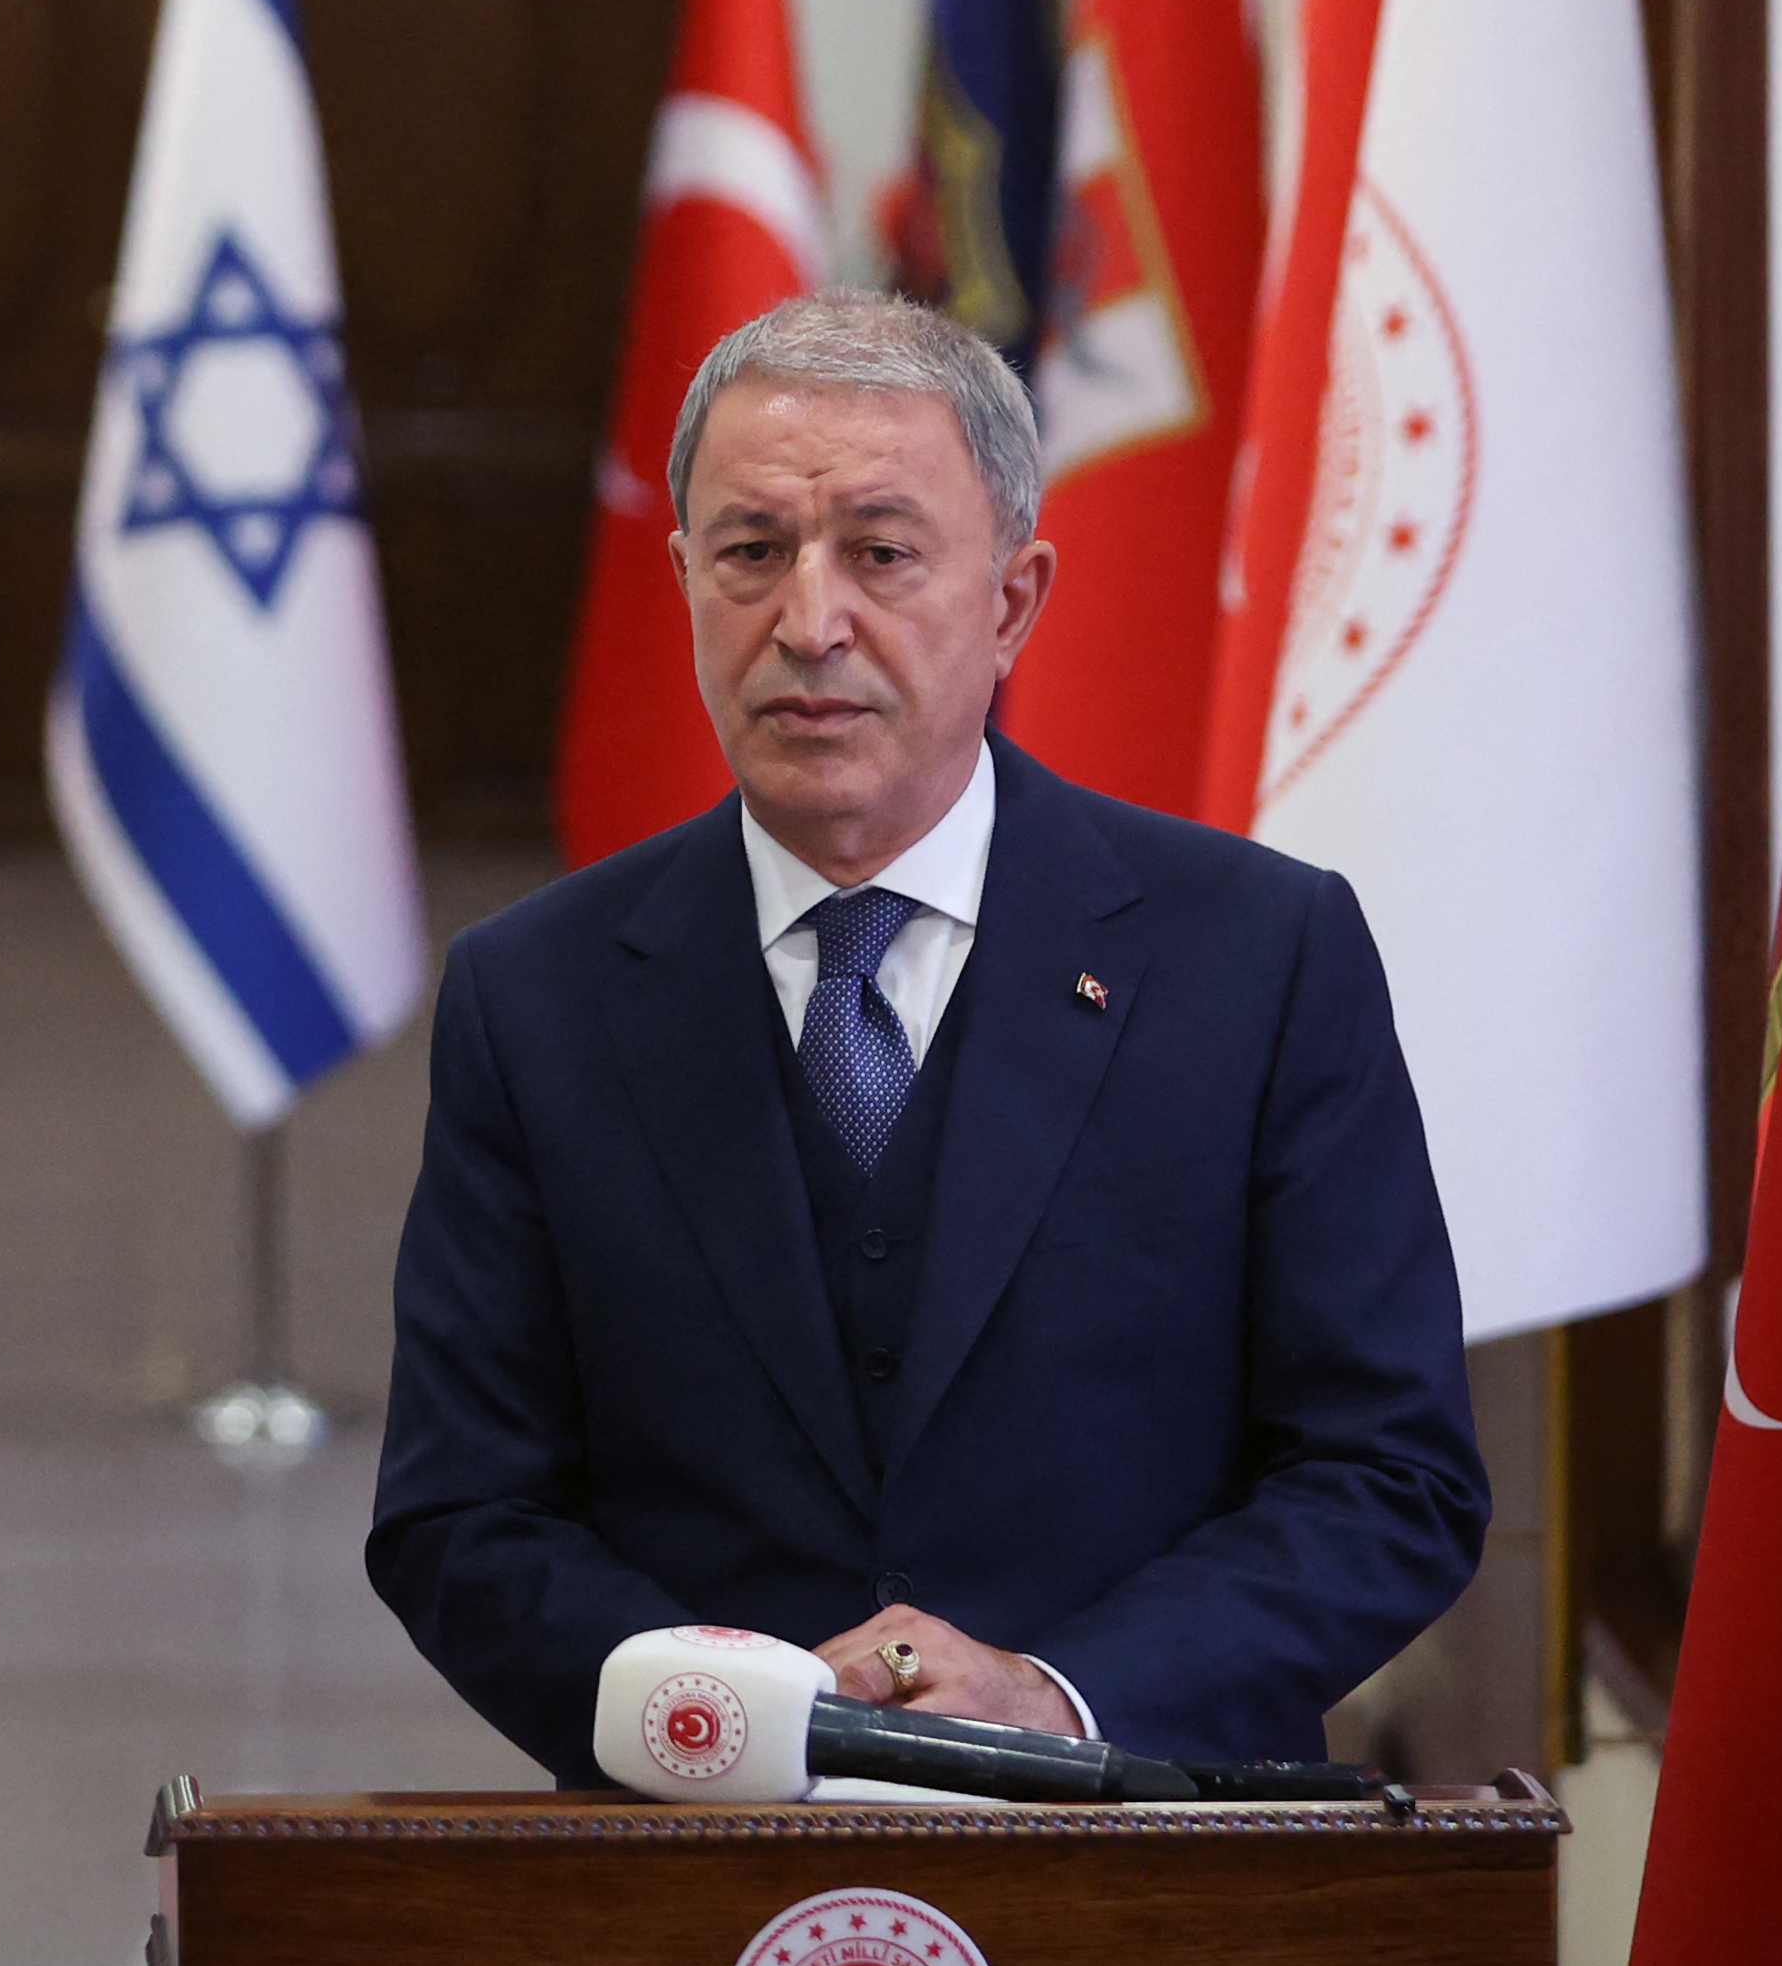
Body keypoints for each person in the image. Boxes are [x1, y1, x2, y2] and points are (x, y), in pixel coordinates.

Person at [370, 291, 1483, 1783]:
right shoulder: (537, 996)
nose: (811, 622)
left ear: (1014, 600)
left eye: (883, 555)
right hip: (689, 1876)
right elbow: (461, 1515)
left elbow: (1387, 1477)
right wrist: (729, 1723)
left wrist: (1056, 1697)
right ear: (686, 576)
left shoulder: (1259, 959)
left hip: (1148, 1867)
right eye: (753, 553)